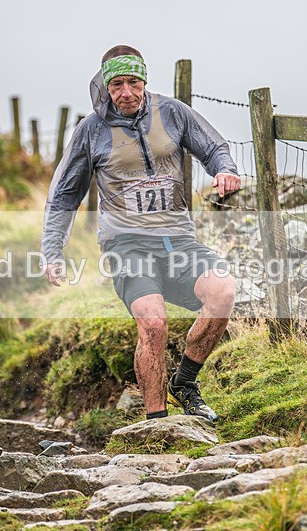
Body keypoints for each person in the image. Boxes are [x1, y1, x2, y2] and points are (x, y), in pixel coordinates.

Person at [41, 45, 241, 423]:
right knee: (152, 323)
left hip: (178, 239)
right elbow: (64, 194)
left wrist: (224, 170)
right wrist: (52, 252)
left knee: (223, 292)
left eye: (134, 82)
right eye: (117, 84)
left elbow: (214, 147)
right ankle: (157, 423)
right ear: (105, 86)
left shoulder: (173, 113)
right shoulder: (91, 131)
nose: (127, 92)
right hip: (127, 243)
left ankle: (185, 383)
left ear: (145, 80)